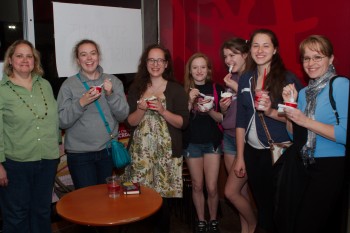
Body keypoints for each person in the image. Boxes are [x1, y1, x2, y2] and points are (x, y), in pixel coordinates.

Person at [233, 29, 303, 233]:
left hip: (279, 150)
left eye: (266, 45)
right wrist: (239, 156)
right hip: (253, 152)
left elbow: (298, 118)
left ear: (275, 50)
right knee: (263, 205)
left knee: (280, 207)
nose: (260, 50)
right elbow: (240, 120)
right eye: (255, 45)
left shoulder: (287, 79)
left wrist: (271, 110)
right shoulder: (245, 79)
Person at [279, 35, 348, 233]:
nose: (311, 63)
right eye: (306, 58)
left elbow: (344, 134)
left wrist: (305, 120)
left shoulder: (341, 85)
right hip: (305, 165)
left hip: (331, 166)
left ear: (331, 59)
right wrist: (290, 105)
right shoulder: (303, 93)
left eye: (317, 57)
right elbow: (295, 137)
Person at [125, 44, 189, 233]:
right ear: (145, 63)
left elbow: (182, 123)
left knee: (163, 203)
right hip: (140, 154)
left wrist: (162, 110)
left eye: (159, 60)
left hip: (166, 154)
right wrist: (141, 108)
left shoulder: (176, 90)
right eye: (151, 60)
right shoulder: (136, 88)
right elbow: (130, 122)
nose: (155, 64)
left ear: (166, 64)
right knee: (138, 197)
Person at [0, 40, 60, 233]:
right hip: (16, 163)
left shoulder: (45, 85)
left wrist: (58, 142)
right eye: (19, 55)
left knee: (42, 211)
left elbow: (53, 118)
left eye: (29, 56)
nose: (25, 60)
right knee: (17, 215)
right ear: (10, 60)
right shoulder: (2, 91)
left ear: (35, 61)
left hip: (47, 160)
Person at [57, 39, 129, 189]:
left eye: (93, 53)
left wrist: (110, 95)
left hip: (107, 151)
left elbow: (123, 115)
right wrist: (81, 102)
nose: (89, 58)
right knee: (87, 204)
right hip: (79, 155)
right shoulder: (69, 85)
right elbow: (62, 121)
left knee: (105, 200)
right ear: (78, 60)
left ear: (98, 56)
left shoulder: (113, 81)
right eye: (83, 54)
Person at [183, 52, 224, 233]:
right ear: (190, 71)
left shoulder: (217, 88)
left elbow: (223, 118)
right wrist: (190, 102)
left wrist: (209, 110)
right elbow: (180, 119)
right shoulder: (182, 90)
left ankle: (213, 220)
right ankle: (201, 221)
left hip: (212, 142)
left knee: (212, 186)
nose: (199, 70)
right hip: (192, 142)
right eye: (195, 67)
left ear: (208, 70)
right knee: (198, 185)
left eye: (202, 67)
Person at [220, 38, 257, 233]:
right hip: (228, 137)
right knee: (241, 190)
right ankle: (246, 229)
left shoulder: (251, 78)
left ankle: (253, 223)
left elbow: (254, 104)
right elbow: (231, 113)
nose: (228, 60)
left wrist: (235, 88)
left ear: (244, 55)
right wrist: (223, 109)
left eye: (232, 55)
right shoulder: (232, 78)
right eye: (225, 56)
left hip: (245, 140)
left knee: (230, 192)